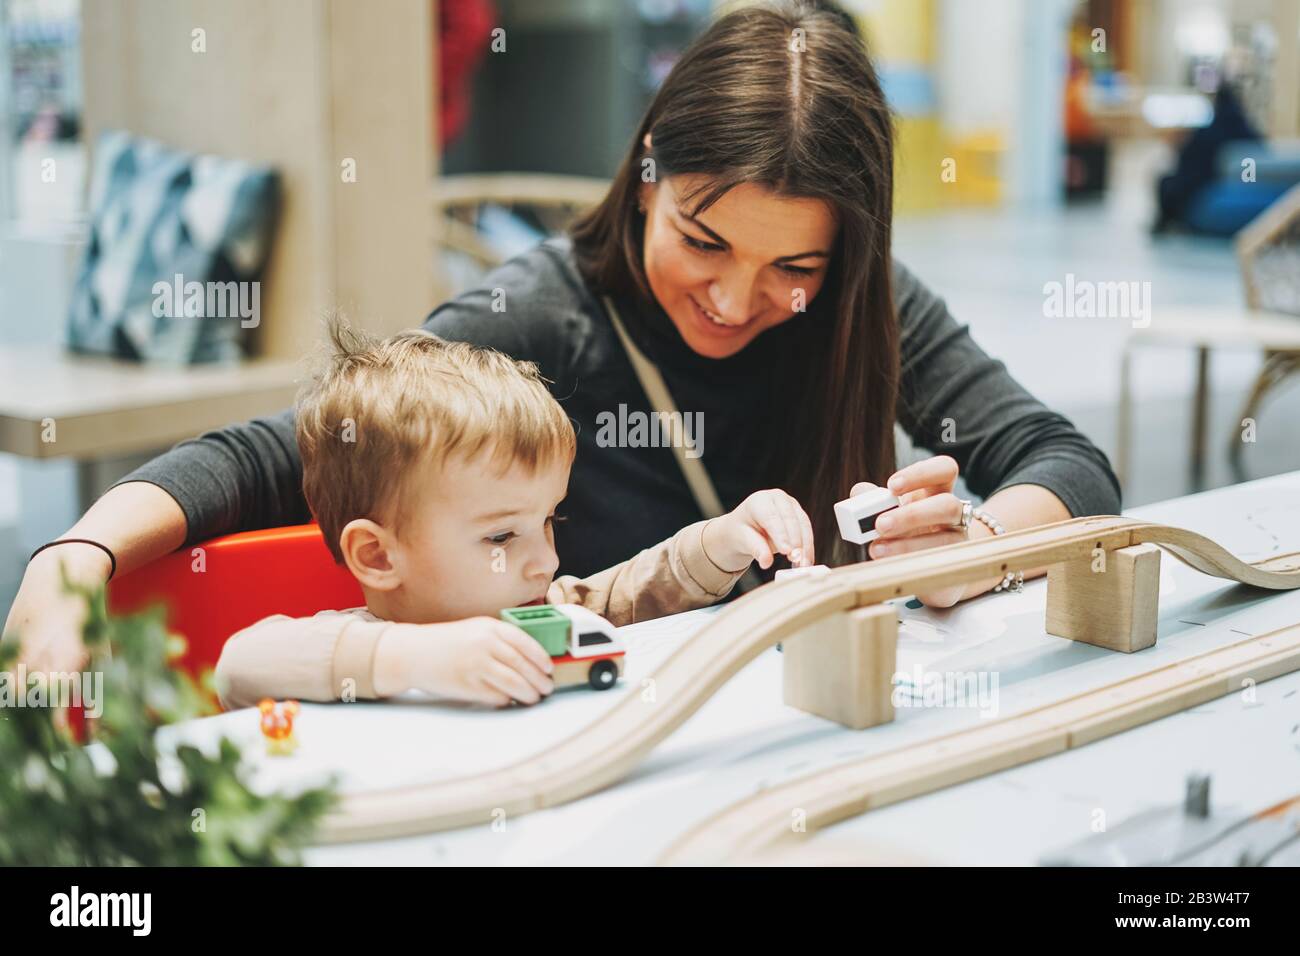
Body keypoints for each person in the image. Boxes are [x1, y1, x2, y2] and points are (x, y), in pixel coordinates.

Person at [5, 1, 1120, 676]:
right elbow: (280, 452)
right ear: (642, 180)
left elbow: (1066, 461)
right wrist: (75, 557)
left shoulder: (861, 305)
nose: (736, 300)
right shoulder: (537, 317)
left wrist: (968, 539)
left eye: (793, 267)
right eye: (703, 239)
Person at [214, 320, 812, 709]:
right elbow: (240, 665)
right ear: (377, 555)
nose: (546, 561)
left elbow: (635, 592)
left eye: (550, 520)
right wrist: (413, 659)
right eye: (502, 535)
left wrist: (724, 541)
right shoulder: (354, 647)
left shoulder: (543, 614)